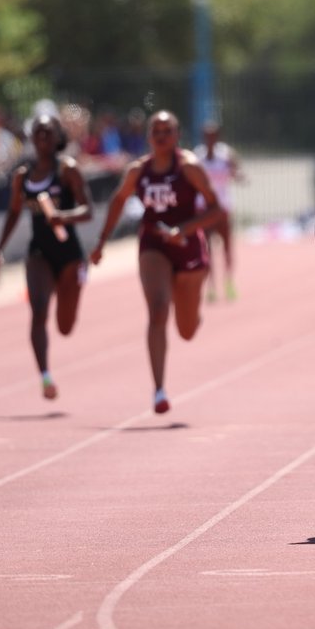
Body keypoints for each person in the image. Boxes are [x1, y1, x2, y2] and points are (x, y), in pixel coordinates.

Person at [91, 111, 222, 414]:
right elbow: (118, 200)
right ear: (148, 137)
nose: (161, 136)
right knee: (158, 309)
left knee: (186, 330)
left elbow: (215, 209)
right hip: (154, 244)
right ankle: (159, 389)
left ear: (177, 135)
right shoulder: (138, 170)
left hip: (187, 246)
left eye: (167, 131)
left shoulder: (189, 167)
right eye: (156, 131)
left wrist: (183, 230)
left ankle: (192, 312)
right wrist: (100, 242)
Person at [0, 114, 93, 400]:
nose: (43, 138)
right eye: (38, 132)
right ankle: (45, 376)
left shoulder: (67, 170)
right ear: (31, 138)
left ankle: (69, 292)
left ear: (58, 137)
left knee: (65, 326)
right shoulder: (23, 176)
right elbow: (14, 212)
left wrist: (63, 216)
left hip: (69, 255)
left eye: (48, 132)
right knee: (38, 311)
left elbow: (88, 210)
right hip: (39, 252)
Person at [193, 120, 243, 302]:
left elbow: (237, 172)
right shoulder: (197, 156)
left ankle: (228, 281)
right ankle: (211, 285)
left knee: (227, 246)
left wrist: (236, 172)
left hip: (223, 207)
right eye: (207, 136)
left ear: (217, 136)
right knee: (205, 249)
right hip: (204, 207)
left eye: (213, 135)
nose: (210, 139)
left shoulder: (226, 154)